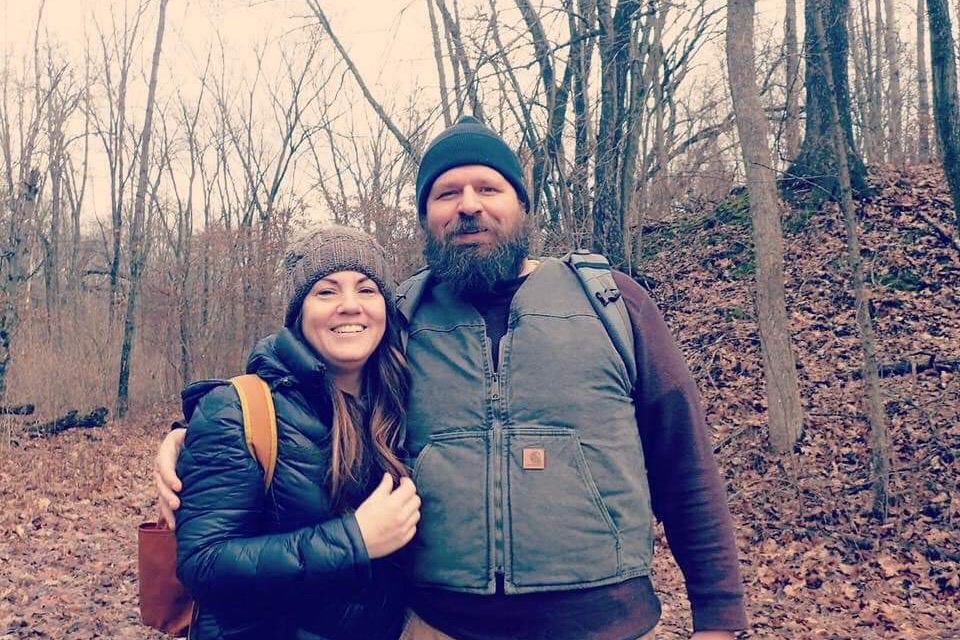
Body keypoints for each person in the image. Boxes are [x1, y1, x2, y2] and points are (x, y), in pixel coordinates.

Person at [159, 116, 747, 640]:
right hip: (436, 626)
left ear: (522, 205)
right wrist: (197, 435)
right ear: (426, 217)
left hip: (605, 625)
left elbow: (686, 465)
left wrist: (718, 617)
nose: (468, 205)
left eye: (488, 188)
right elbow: (309, 392)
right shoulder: (400, 318)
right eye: (446, 193)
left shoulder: (612, 304)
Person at [173, 226, 420, 640]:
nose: (349, 306)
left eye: (366, 289)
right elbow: (203, 562)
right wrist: (354, 540)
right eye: (326, 292)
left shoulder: (401, 404)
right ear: (298, 314)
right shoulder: (237, 411)